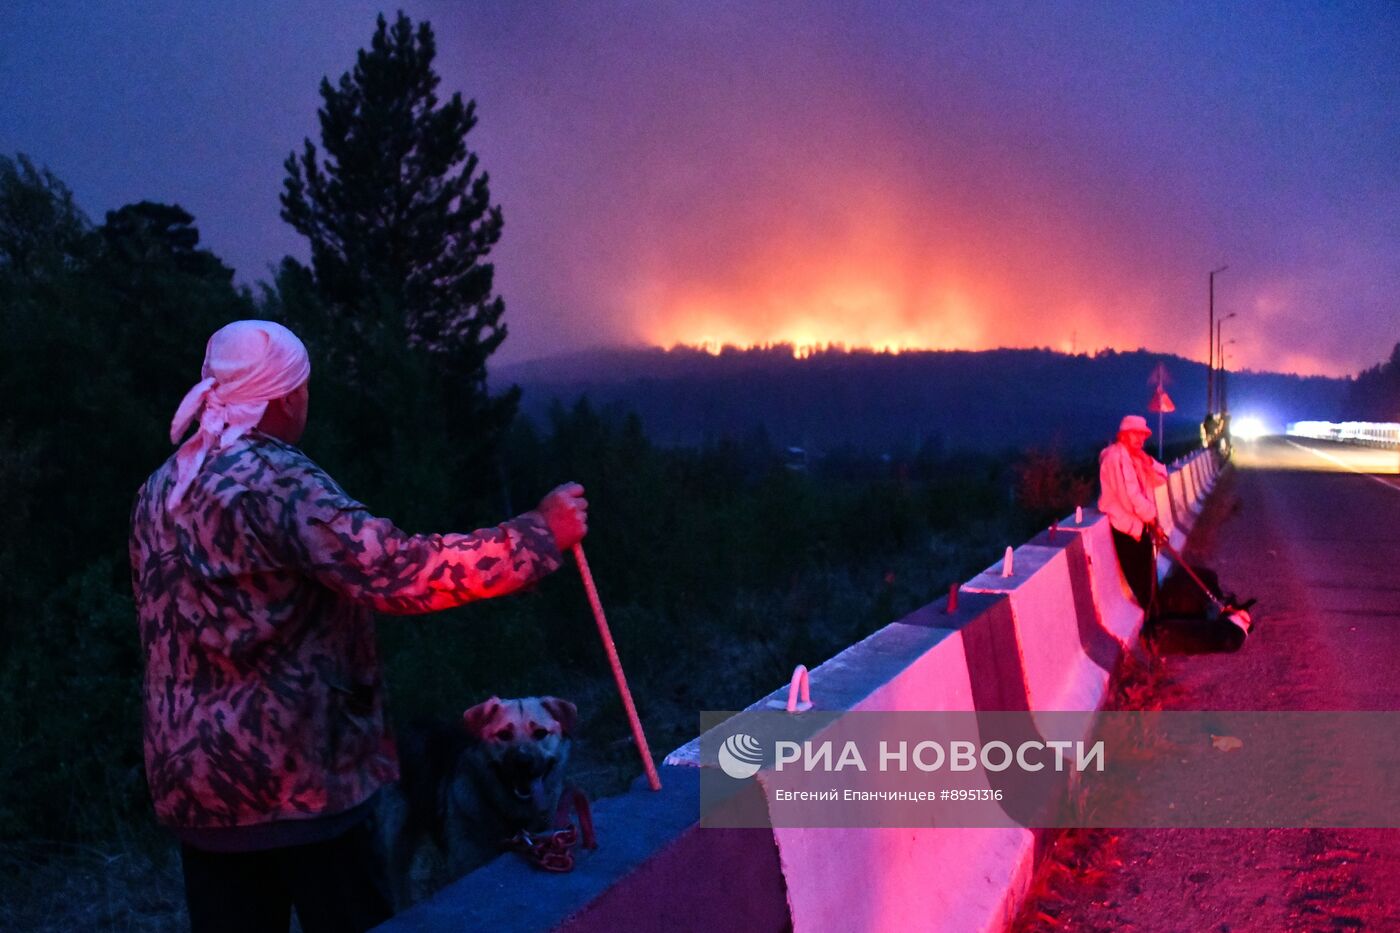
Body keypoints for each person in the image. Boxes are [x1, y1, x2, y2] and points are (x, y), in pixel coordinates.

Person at [129, 320, 588, 933]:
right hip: (303, 793)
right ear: (289, 397)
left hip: (202, 797)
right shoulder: (279, 484)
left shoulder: (160, 491)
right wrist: (535, 537)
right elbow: (398, 572)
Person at [1097, 414, 1167, 616]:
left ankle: (1159, 619)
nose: (1141, 439)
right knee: (1142, 582)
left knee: (1149, 579)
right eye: (1136, 434)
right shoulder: (1115, 459)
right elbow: (1130, 498)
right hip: (1126, 529)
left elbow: (1161, 479)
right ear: (1124, 436)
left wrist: (1148, 461)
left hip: (1139, 526)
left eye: (1143, 436)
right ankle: (1156, 626)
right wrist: (1152, 518)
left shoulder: (1134, 458)